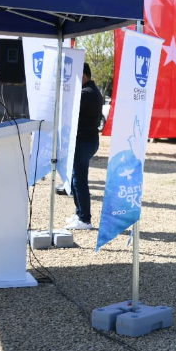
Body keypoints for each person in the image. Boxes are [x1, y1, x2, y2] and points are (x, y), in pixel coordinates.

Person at [65, 63, 104, 231]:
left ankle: (85, 219)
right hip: (87, 140)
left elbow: (68, 109)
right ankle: (79, 213)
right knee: (76, 180)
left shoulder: (86, 93)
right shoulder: (92, 91)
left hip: (84, 141)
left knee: (79, 181)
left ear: (83, 74)